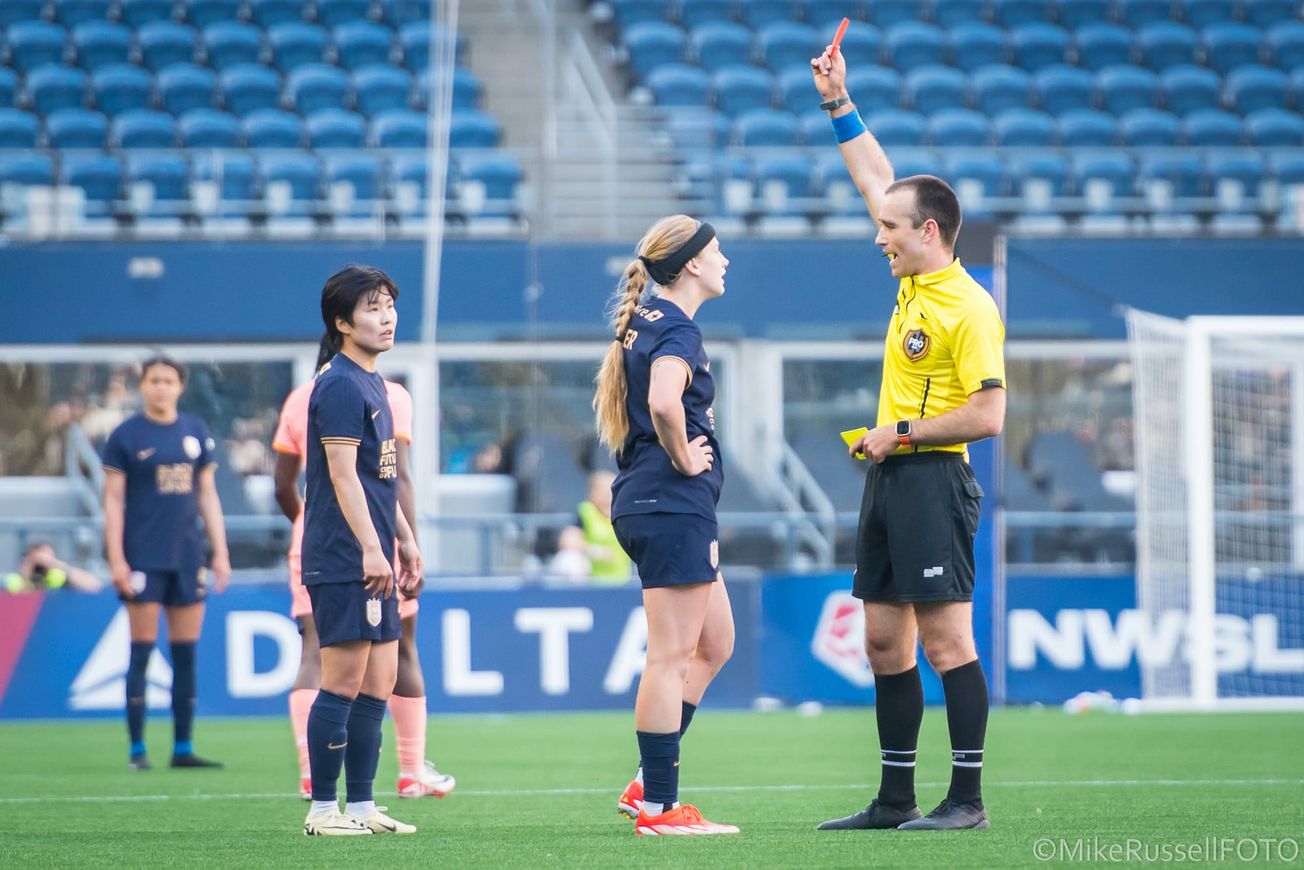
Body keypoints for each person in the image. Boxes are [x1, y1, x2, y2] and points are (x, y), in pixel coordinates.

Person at [810, 44, 1007, 832]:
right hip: (890, 475)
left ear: (929, 232)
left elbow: (989, 416)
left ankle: (966, 800)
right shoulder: (914, 273)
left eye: (890, 228)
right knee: (885, 644)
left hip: (933, 477)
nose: (877, 235)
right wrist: (837, 103)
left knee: (947, 641)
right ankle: (895, 801)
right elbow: (872, 177)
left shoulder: (969, 306)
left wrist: (904, 433)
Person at [594, 215, 739, 837]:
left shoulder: (648, 317)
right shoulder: (677, 327)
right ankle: (659, 807)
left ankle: (644, 786)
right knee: (671, 657)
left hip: (655, 503)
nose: (726, 260)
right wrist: (684, 456)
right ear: (690, 266)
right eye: (717, 250)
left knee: (715, 645)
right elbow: (661, 402)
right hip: (669, 503)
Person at [274, 350, 455, 802]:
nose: (386, 319)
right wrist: (400, 544)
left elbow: (285, 483)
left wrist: (309, 521)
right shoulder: (381, 393)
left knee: (323, 656)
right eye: (373, 308)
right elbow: (392, 479)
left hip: (326, 536)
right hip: (357, 545)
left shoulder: (302, 395)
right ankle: (403, 773)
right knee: (382, 660)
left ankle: (330, 785)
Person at [300, 265, 423, 837]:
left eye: (390, 305)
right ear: (342, 322)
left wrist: (405, 538)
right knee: (342, 681)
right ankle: (323, 810)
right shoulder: (342, 383)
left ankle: (363, 805)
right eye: (373, 307)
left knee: (378, 683)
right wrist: (373, 550)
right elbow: (343, 477)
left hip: (374, 554)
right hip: (344, 556)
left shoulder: (374, 379)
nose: (387, 316)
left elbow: (381, 477)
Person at [101, 356, 231, 771]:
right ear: (142, 386)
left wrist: (221, 551)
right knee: (141, 652)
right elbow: (113, 500)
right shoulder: (126, 435)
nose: (161, 387)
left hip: (187, 555)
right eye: (153, 380)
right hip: (142, 556)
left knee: (186, 655)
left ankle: (182, 748)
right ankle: (138, 749)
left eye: (168, 380)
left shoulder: (195, 431)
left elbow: (208, 495)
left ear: (180, 386)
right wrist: (117, 557)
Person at [551, 470, 633, 584]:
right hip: (589, 582)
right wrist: (597, 552)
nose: (608, 493)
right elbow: (568, 541)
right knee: (568, 559)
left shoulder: (624, 513)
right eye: (604, 489)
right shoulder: (586, 512)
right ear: (592, 492)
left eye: (612, 488)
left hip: (621, 581)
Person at [5, 541, 103, 594]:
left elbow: (94, 586)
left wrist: (57, 565)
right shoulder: (15, 579)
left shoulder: (57, 575)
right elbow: (21, 603)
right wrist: (27, 572)